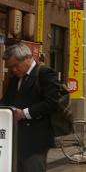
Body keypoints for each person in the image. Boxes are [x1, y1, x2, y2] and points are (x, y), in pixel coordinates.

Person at [0, 43, 61, 172]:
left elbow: (51, 103)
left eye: (16, 65)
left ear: (28, 58)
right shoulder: (16, 78)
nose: (14, 70)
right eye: (11, 67)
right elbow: (6, 100)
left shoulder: (45, 73)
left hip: (36, 140)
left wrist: (24, 113)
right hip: (16, 139)